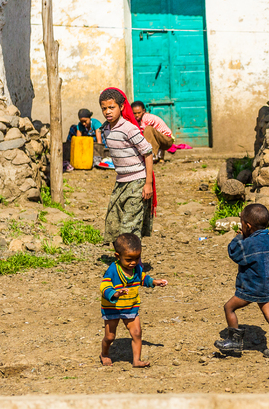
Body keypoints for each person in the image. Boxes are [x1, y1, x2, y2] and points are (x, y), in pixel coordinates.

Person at [214, 203, 269, 358]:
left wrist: (238, 237)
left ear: (248, 226)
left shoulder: (249, 243)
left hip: (251, 286)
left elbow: (234, 253)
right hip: (267, 284)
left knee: (229, 308)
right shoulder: (268, 239)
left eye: (242, 224)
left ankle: (234, 342)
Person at [100, 233, 168, 367]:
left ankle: (136, 360)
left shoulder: (136, 268)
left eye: (137, 259)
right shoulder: (113, 270)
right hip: (112, 307)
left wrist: (154, 282)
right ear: (117, 256)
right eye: (129, 259)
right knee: (110, 337)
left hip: (131, 306)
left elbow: (142, 278)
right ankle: (105, 354)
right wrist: (115, 293)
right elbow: (104, 286)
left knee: (137, 333)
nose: (133, 263)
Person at [100, 88, 156, 244]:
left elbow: (148, 152)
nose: (107, 112)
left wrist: (148, 183)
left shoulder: (129, 129)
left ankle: (133, 264)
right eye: (104, 108)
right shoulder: (106, 129)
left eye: (112, 107)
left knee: (130, 226)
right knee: (113, 222)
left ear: (122, 107)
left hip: (137, 181)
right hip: (121, 182)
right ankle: (123, 259)